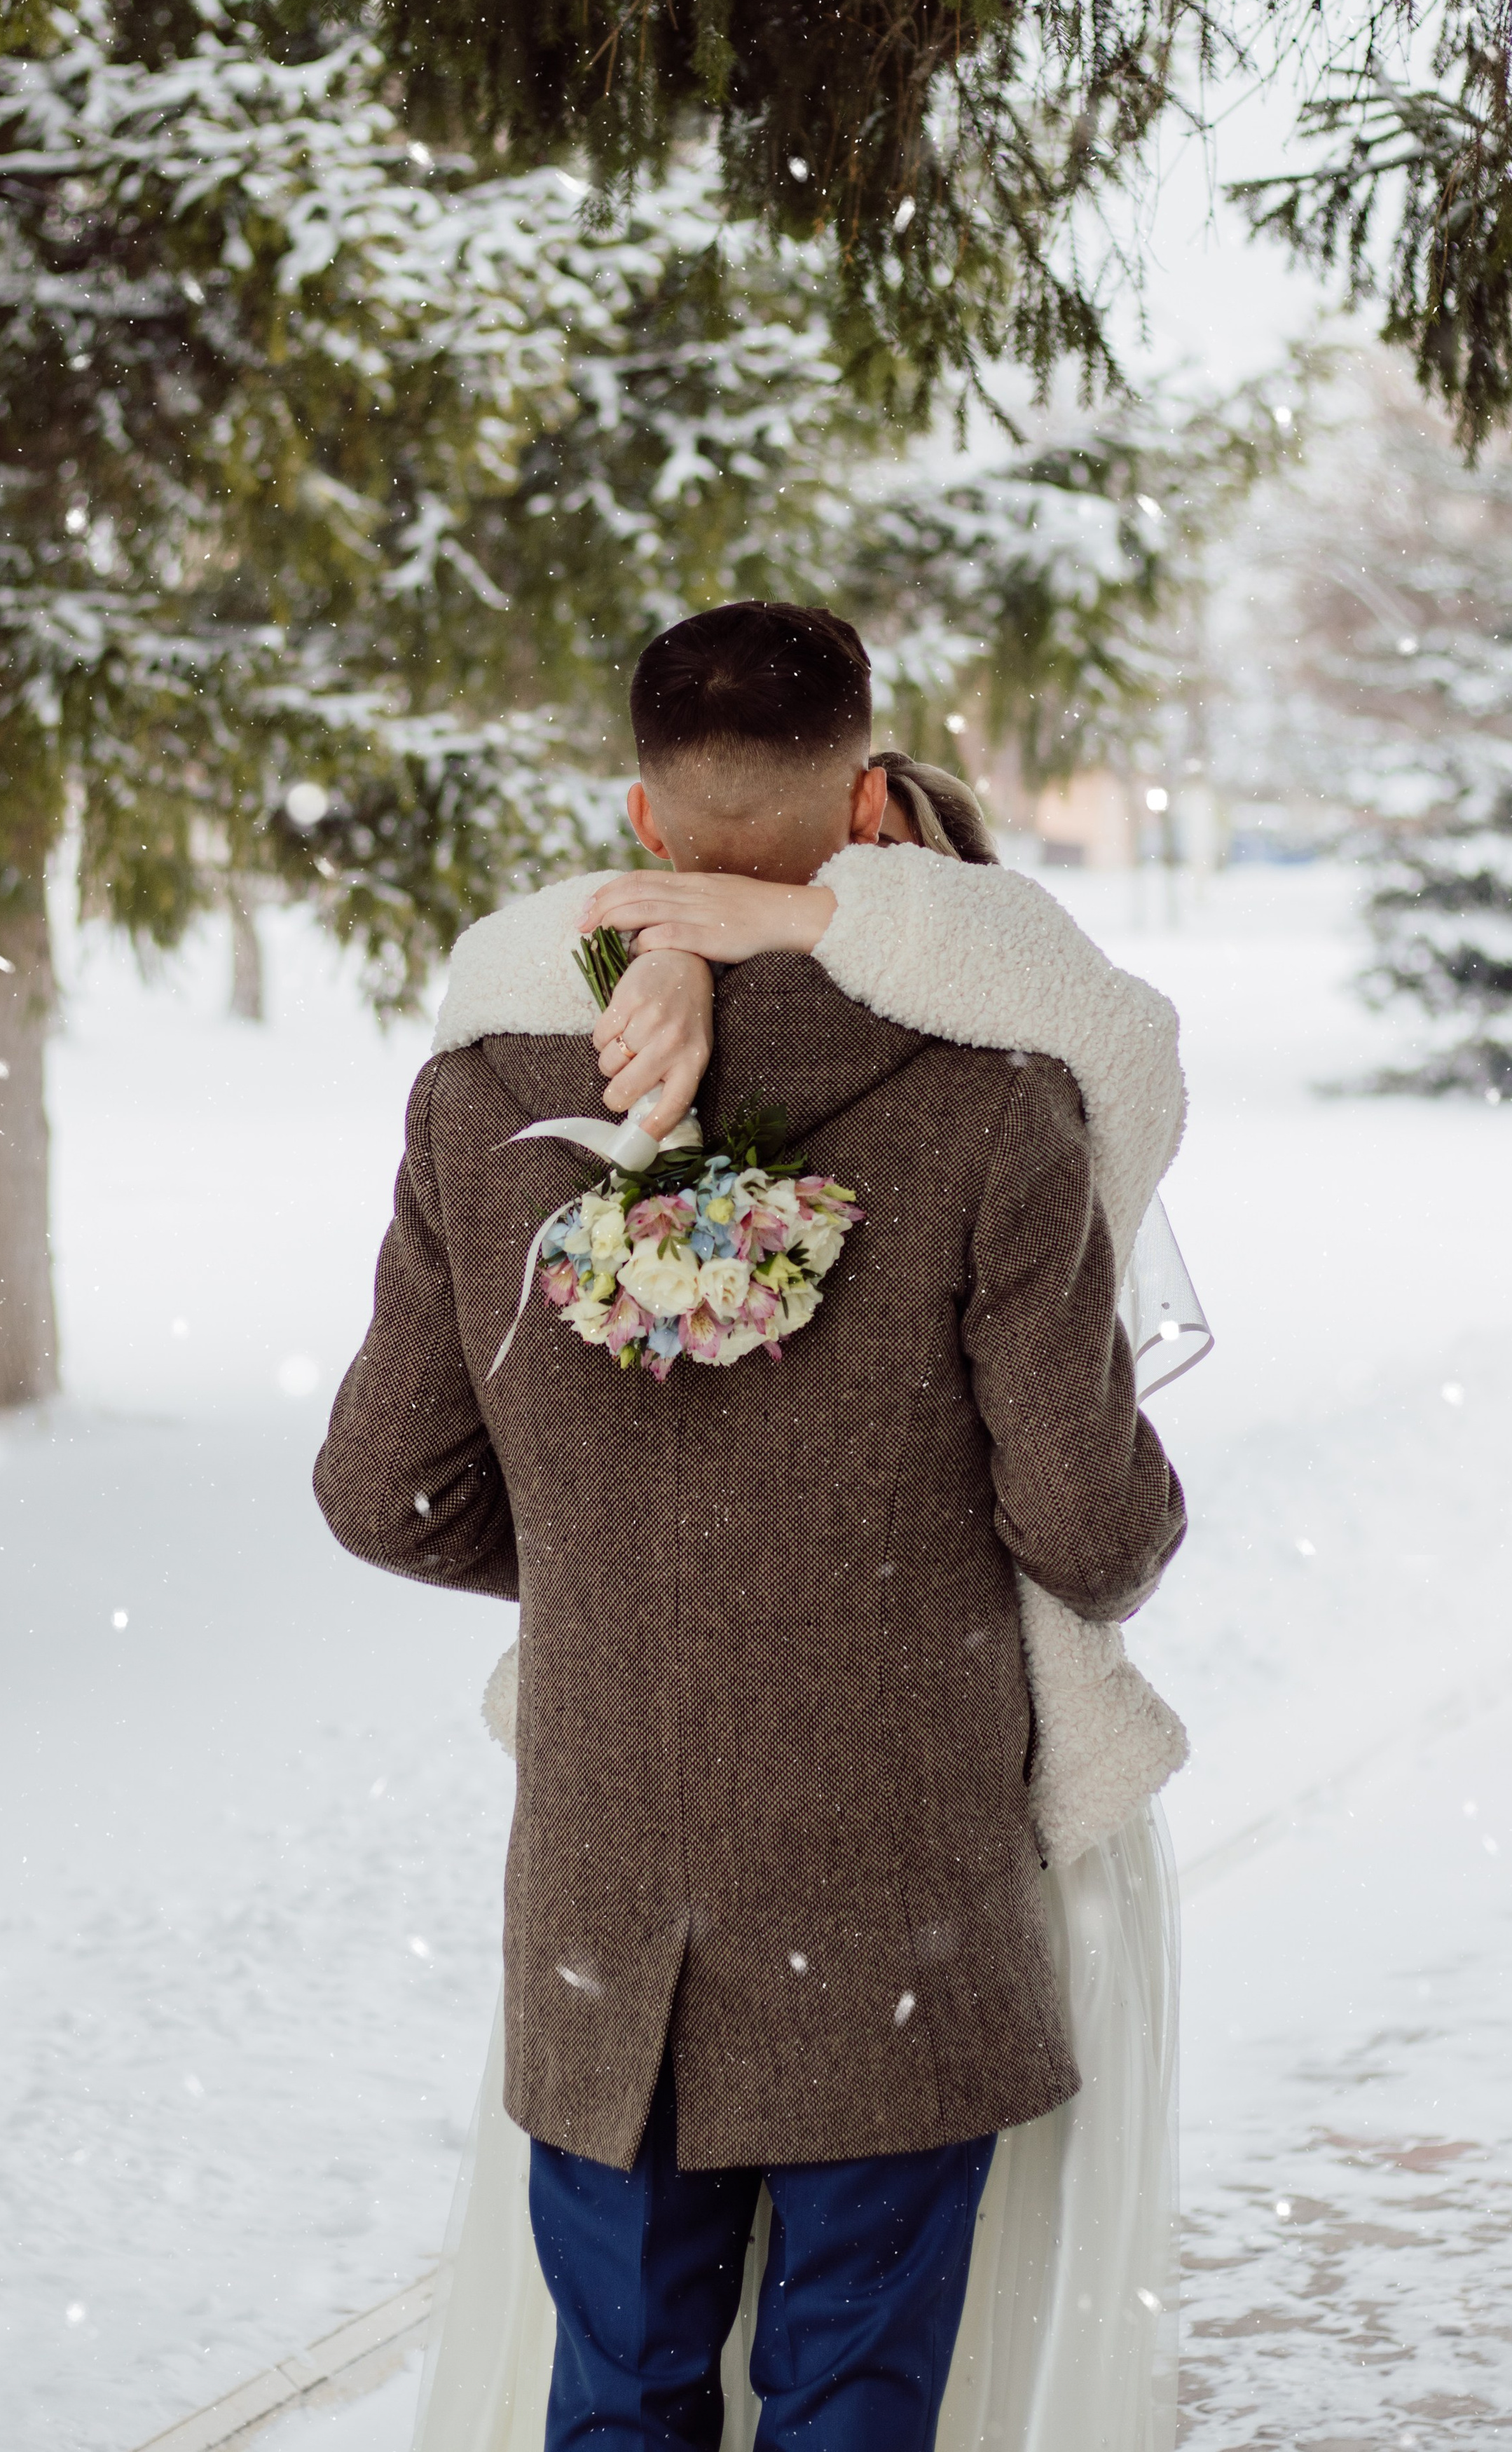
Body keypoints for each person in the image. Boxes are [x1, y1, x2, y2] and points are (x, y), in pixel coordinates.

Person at [315, 600, 1188, 2452]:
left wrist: (612, 1556)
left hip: (612, 1891)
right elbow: (1091, 1530)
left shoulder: (483, 1096)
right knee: (859, 2401)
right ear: (871, 801)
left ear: (643, 820)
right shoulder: (1000, 1100)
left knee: (620, 2398)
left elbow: (384, 1492)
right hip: (903, 1890)